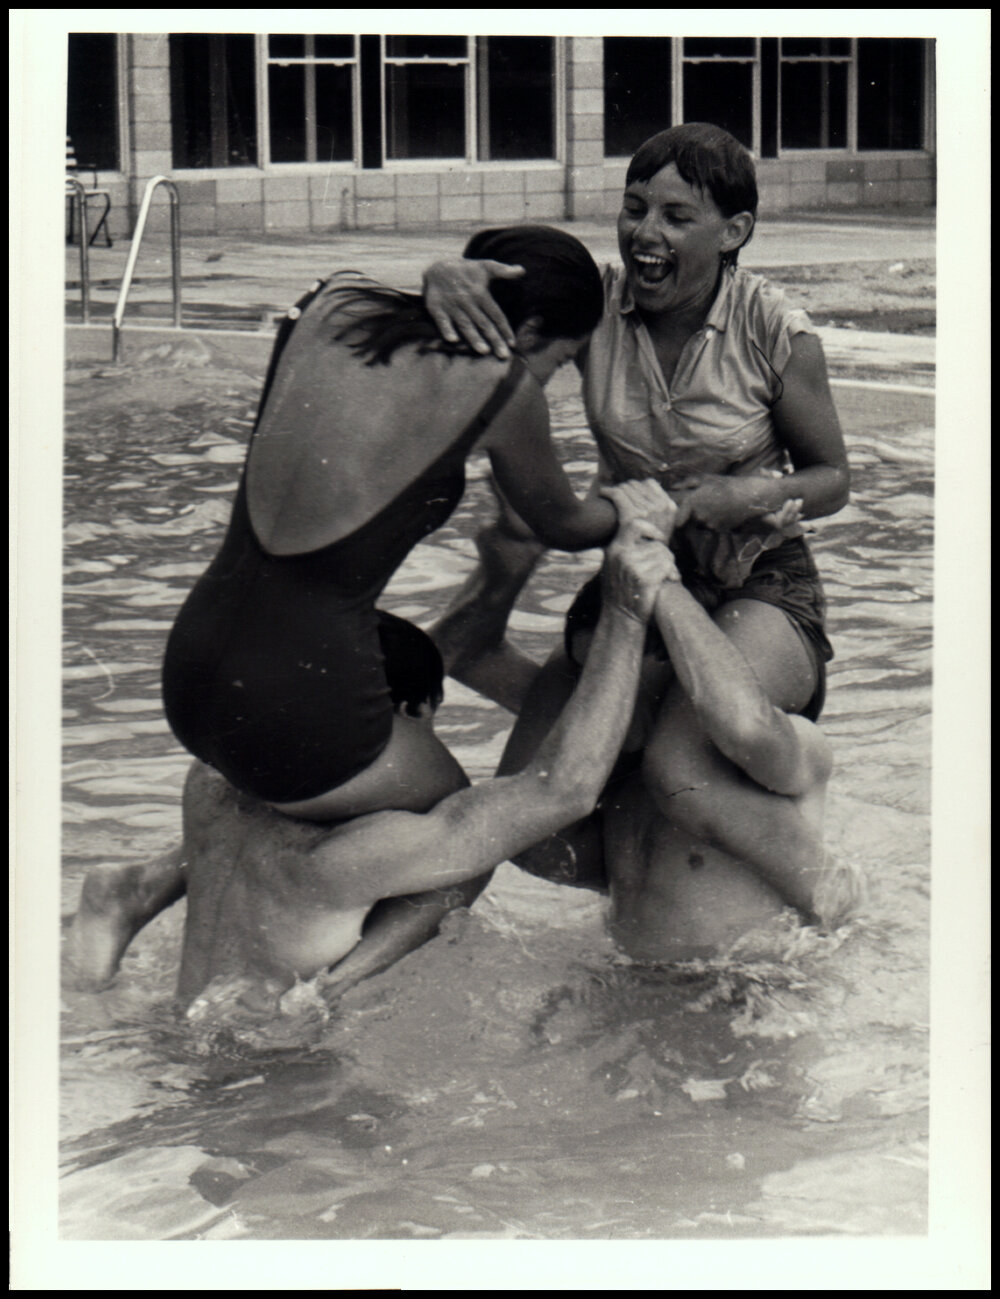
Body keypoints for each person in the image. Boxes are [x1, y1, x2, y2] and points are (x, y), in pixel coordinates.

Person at [422, 123, 851, 919]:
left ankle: (825, 885)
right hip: (632, 576)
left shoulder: (777, 331)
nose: (646, 233)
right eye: (634, 208)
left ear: (734, 232)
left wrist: (746, 497)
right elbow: (491, 301)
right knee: (529, 821)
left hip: (757, 578)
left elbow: (833, 480)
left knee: (681, 767)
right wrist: (444, 274)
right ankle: (656, 879)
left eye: (677, 217)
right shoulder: (599, 306)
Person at [68, 523, 676, 1004]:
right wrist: (624, 614)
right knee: (466, 836)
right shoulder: (352, 858)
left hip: (198, 1022)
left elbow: (451, 652)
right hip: (271, 1059)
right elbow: (558, 792)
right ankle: (336, 981)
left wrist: (508, 561)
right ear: (413, 710)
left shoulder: (212, 784)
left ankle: (140, 886)